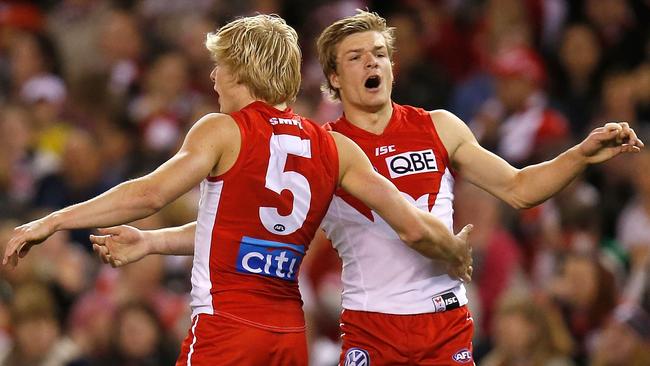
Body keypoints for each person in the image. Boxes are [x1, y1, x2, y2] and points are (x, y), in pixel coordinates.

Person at [88, 10, 643, 366]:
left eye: (379, 53)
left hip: (445, 322)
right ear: (333, 81)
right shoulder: (322, 150)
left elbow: (520, 189)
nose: (372, 62)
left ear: (392, 67)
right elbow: (244, 225)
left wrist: (580, 153)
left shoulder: (441, 126)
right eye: (356, 57)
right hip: (370, 330)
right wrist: (151, 240)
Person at [2, 14, 473, 366]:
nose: (213, 77)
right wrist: (452, 248)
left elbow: (148, 195)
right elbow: (409, 220)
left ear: (245, 71)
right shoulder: (334, 146)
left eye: (220, 66)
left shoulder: (223, 130)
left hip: (226, 325)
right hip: (289, 334)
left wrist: (53, 219)